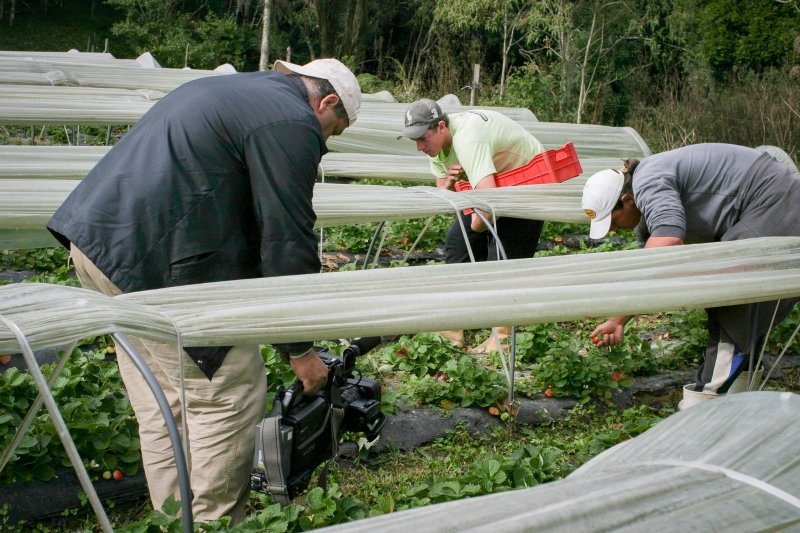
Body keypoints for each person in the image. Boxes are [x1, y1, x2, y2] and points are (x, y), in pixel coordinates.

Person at [46, 58, 362, 523]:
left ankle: (173, 519)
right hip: (153, 264)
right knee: (228, 394)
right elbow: (285, 236)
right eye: (333, 130)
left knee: (164, 401)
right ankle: (212, 522)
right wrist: (300, 350)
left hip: (96, 246)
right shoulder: (291, 119)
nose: (325, 141)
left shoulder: (226, 91)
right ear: (327, 101)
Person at [581, 143, 800, 408]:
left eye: (613, 221)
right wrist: (618, 320)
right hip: (760, 205)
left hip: (772, 198)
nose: (614, 230)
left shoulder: (648, 183)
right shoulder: (646, 215)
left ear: (626, 201)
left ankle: (699, 408)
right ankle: (739, 404)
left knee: (735, 305)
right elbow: (650, 274)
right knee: (738, 303)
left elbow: (668, 241)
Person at [398, 98, 546, 353]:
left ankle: (502, 337)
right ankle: (454, 324)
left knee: (501, 258)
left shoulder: (468, 138)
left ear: (441, 126)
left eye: (423, 138)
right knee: (458, 243)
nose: (420, 147)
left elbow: (488, 204)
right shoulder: (435, 148)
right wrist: (454, 186)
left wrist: (477, 226)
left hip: (528, 180)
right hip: (496, 184)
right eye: (415, 140)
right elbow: (444, 191)